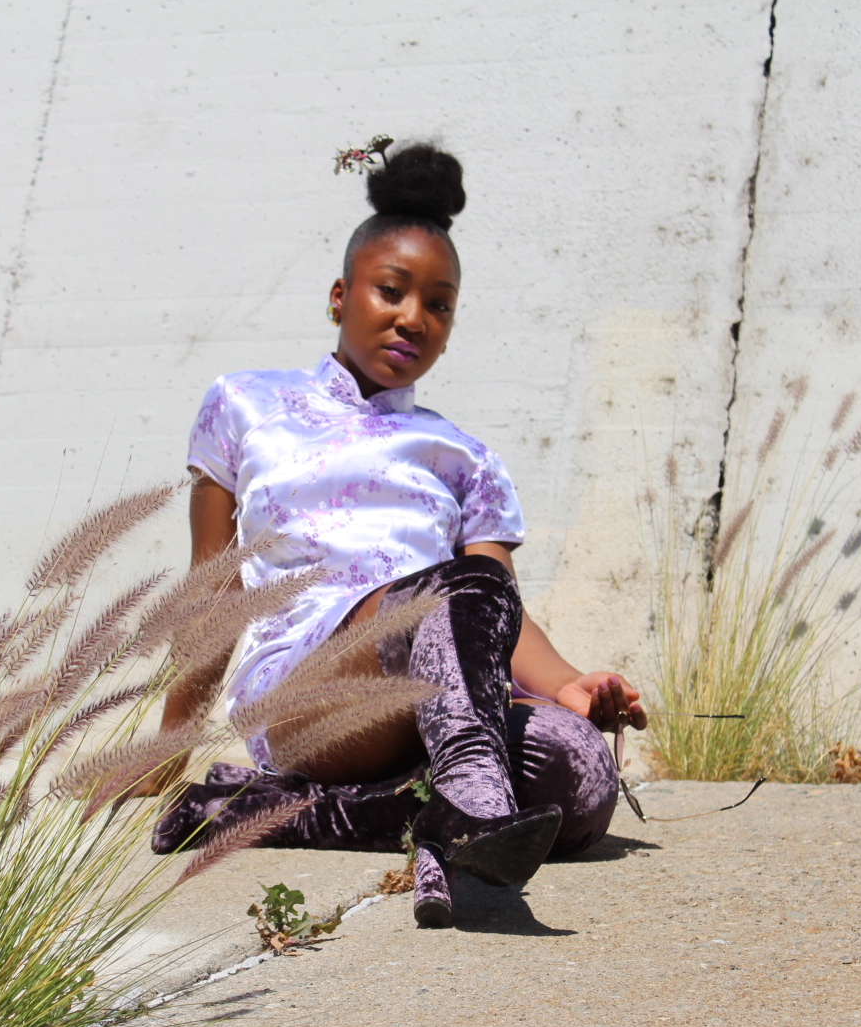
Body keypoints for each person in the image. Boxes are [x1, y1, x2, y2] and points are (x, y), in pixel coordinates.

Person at [149, 139, 646, 928]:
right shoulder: (245, 405)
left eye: (439, 305)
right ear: (340, 295)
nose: (414, 317)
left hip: (440, 698)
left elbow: (496, 613)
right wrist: (162, 751)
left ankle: (281, 811)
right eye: (391, 291)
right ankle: (468, 802)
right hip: (310, 696)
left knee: (578, 773)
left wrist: (567, 686)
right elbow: (213, 589)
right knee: (452, 594)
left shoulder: (465, 457)